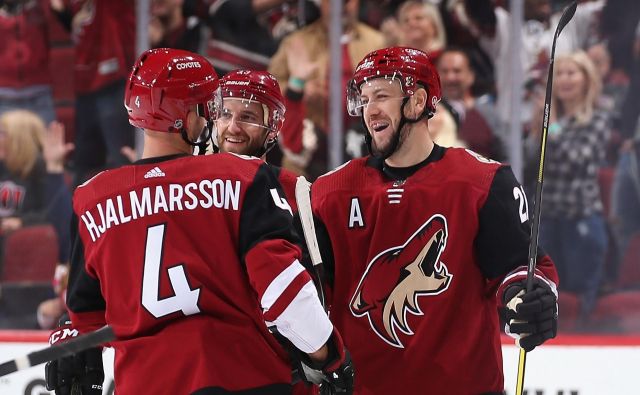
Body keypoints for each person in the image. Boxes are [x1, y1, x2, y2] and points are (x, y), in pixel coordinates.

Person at [44, 48, 353, 395]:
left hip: (144, 384)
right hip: (242, 377)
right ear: (188, 116)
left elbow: (84, 319)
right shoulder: (241, 177)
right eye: (211, 109)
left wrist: (70, 342)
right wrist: (329, 356)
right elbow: (285, 289)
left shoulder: (92, 197)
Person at [311, 47, 559, 394]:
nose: (370, 110)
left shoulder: (482, 182)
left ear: (417, 102)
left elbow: (521, 267)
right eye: (364, 99)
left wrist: (529, 298)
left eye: (381, 96)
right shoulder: (329, 193)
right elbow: (311, 294)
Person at [528, 51, 611, 319]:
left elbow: (579, 160)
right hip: (546, 219)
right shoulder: (547, 121)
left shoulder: (598, 120)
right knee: (547, 296)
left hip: (580, 220)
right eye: (559, 74)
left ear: (587, 80)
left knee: (580, 300)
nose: (564, 79)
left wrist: (551, 128)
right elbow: (528, 164)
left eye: (571, 73)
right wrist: (534, 130)